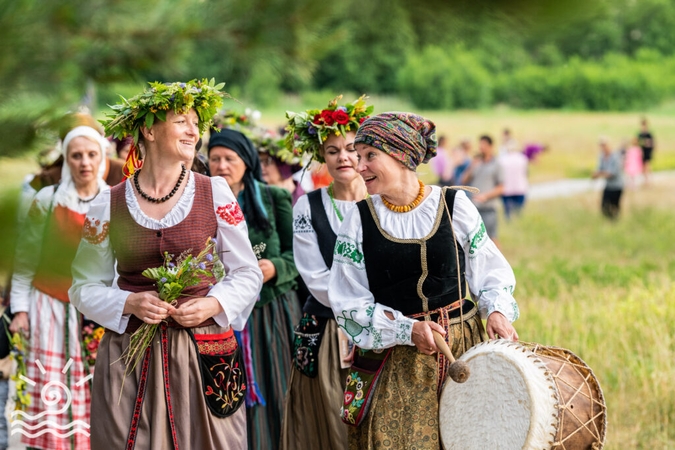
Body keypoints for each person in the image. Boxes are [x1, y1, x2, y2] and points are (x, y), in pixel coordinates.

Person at [69, 80, 262, 449]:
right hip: (130, 359)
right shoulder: (105, 205)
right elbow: (82, 287)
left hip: (202, 354)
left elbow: (247, 272)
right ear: (148, 129)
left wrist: (213, 303)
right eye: (182, 121)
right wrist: (128, 302)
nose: (194, 130)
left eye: (196, 122)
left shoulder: (214, 192)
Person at [327, 112, 519, 449]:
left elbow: (489, 269)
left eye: (371, 155)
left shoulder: (454, 206)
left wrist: (498, 311)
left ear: (401, 156)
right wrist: (407, 330)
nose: (360, 166)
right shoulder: (357, 221)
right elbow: (348, 304)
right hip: (396, 361)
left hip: (464, 349)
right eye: (359, 156)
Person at [9, 125, 111, 450]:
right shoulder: (47, 200)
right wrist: (20, 310)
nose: (85, 162)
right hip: (48, 307)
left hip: (93, 313)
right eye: (76, 155)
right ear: (66, 160)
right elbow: (25, 258)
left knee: (91, 386)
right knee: (50, 385)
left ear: (102, 158)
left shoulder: (114, 202)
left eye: (91, 155)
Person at [280, 96, 372, 450]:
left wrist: (377, 319)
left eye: (351, 148)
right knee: (330, 420)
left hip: (381, 326)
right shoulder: (309, 205)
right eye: (333, 151)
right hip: (329, 326)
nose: (344, 157)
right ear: (322, 156)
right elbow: (314, 276)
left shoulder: (381, 201)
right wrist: (358, 313)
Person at [208, 127, 300, 450]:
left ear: (246, 161)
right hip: (224, 314)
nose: (221, 166)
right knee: (230, 395)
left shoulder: (273, 199)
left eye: (229, 158)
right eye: (215, 158)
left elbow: (298, 255)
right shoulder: (202, 201)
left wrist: (275, 267)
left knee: (277, 390)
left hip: (271, 313)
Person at [462, 135, 504, 245]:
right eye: (480, 145)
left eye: (484, 145)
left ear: (490, 146)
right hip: (474, 207)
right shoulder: (477, 163)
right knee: (474, 239)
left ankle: (498, 261)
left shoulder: (496, 164)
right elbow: (464, 180)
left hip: (488, 208)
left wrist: (485, 196)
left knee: (491, 237)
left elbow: (501, 188)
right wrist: (472, 165)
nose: (481, 148)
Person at [592, 137, 624, 219]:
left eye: (604, 145)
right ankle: (609, 222)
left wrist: (599, 174)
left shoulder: (615, 156)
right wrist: (596, 175)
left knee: (615, 206)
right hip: (608, 185)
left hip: (617, 186)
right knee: (604, 206)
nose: (603, 147)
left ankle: (615, 222)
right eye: (601, 146)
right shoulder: (601, 156)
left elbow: (612, 173)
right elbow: (599, 168)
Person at [499, 141, 529, 219]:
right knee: (519, 211)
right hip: (520, 187)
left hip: (506, 189)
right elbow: (526, 172)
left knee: (508, 211)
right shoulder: (522, 158)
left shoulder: (502, 160)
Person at [637, 118, 654, 185]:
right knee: (643, 167)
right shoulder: (640, 134)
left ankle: (648, 180)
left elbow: (651, 143)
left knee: (647, 166)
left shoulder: (649, 134)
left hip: (647, 152)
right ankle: (645, 180)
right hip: (641, 152)